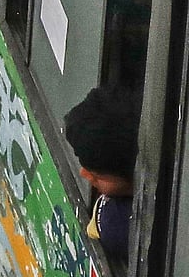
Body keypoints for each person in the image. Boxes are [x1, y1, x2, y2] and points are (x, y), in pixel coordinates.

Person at [64, 86, 140, 262]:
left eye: (98, 175)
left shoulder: (116, 223)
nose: (84, 174)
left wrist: (101, 219)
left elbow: (109, 222)